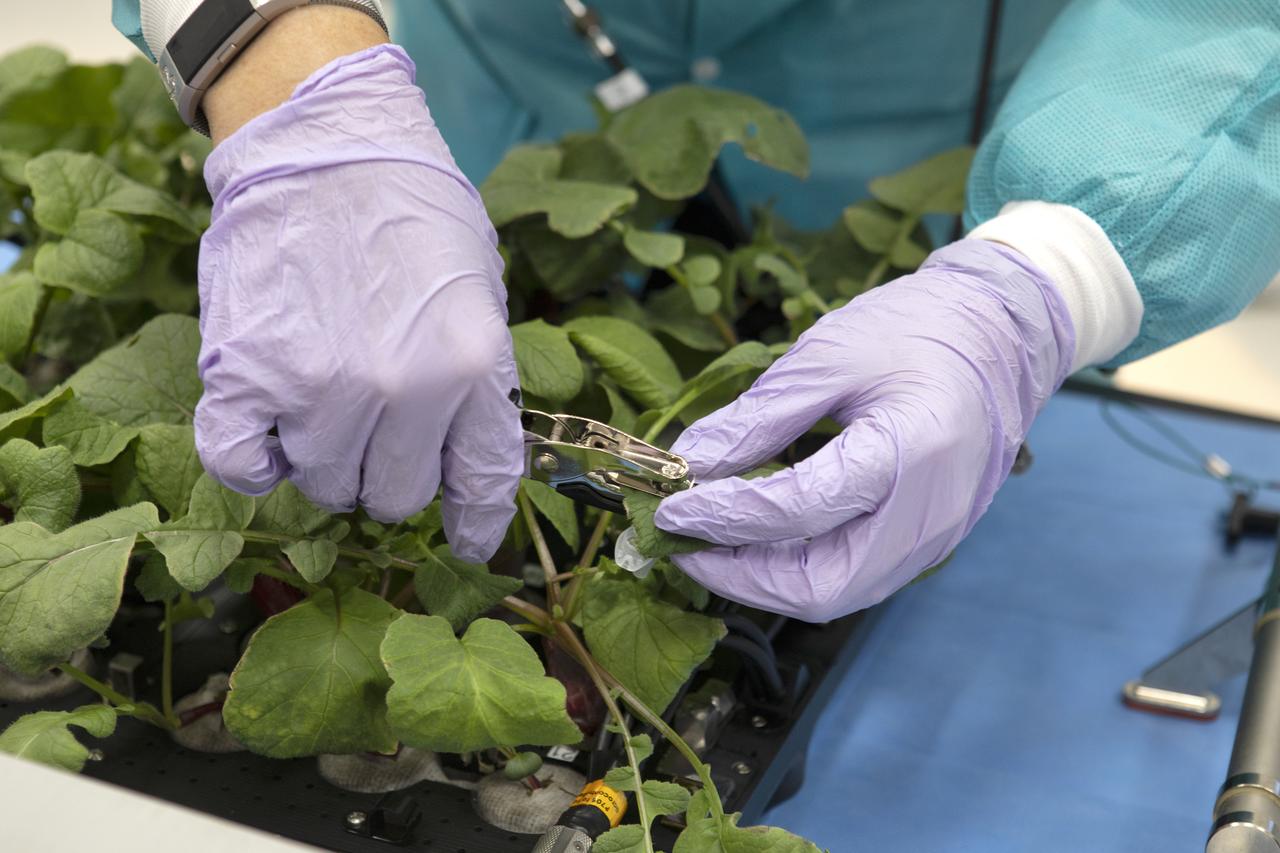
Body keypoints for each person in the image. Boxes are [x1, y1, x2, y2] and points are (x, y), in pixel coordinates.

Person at [111, 1, 1280, 621]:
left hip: (949, 130)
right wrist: (291, 69)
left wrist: (1055, 264)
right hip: (477, 102)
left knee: (873, 459)